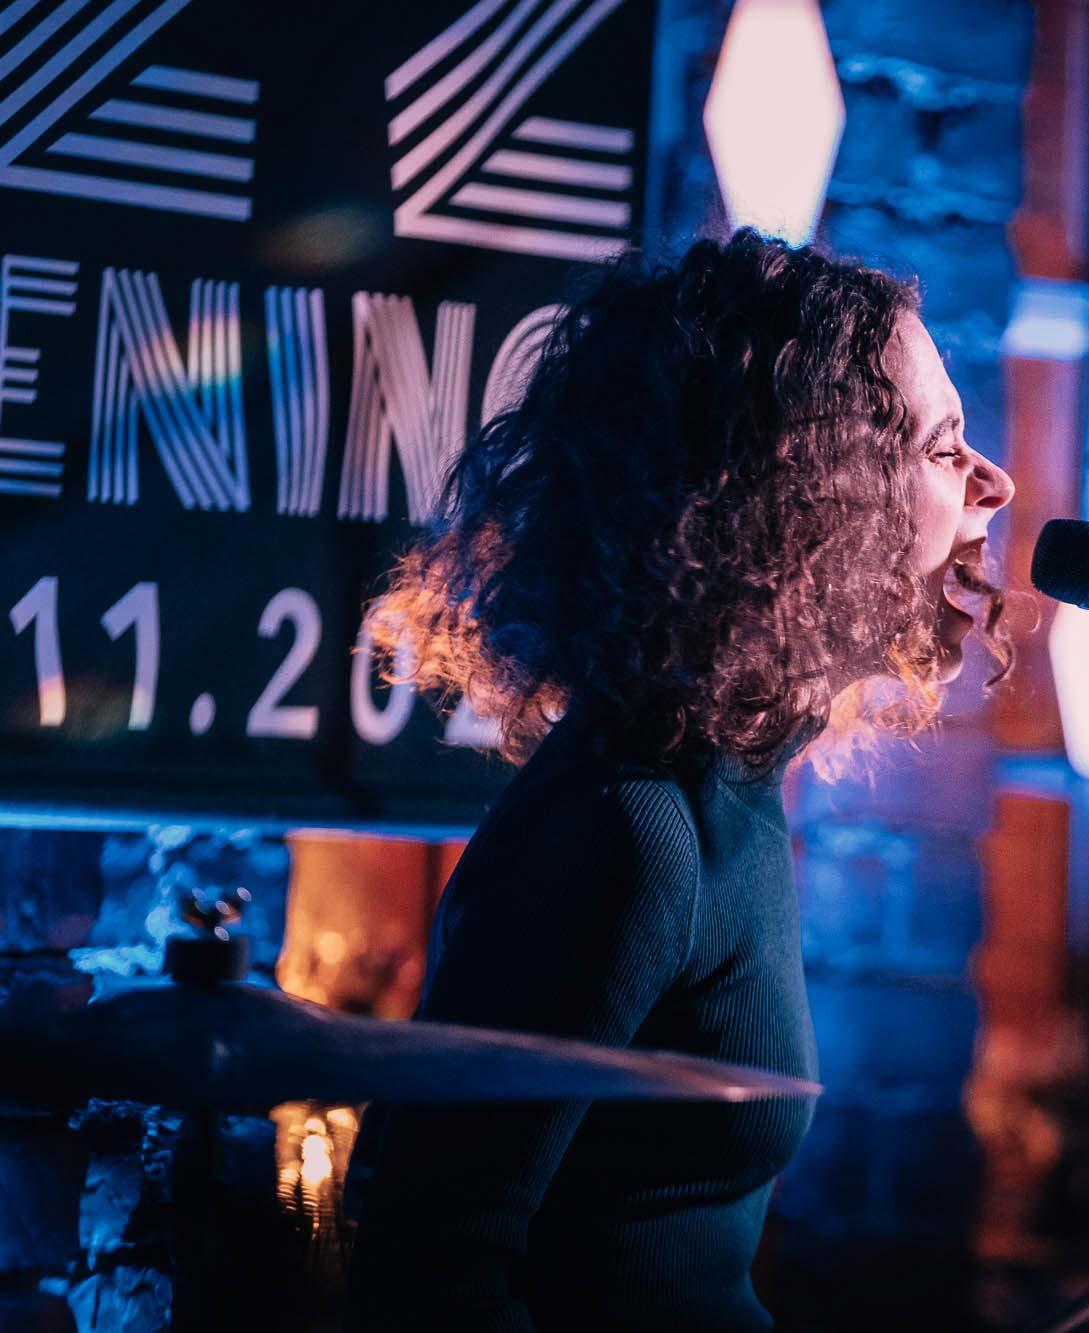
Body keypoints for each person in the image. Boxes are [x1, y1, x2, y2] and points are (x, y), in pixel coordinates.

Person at [345, 230, 1016, 1331]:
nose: (995, 482)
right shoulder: (629, 828)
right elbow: (427, 1263)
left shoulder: (727, 786)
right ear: (812, 496)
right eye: (943, 448)